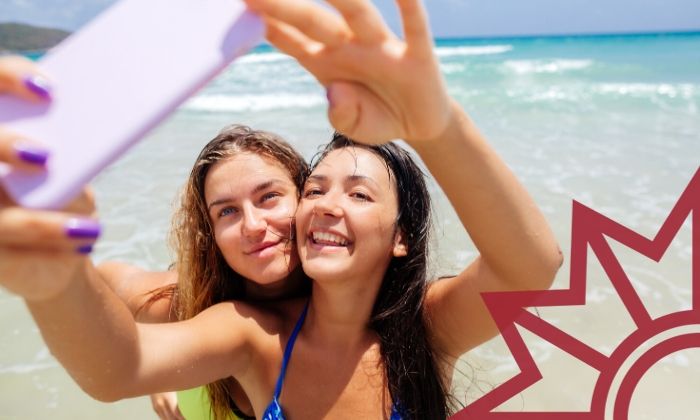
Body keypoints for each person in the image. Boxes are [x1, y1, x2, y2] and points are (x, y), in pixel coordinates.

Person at [0, 0, 563, 418]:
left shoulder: (427, 330)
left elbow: (530, 267)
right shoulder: (255, 336)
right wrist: (57, 275)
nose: (327, 206)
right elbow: (116, 366)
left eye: (360, 194)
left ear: (400, 237)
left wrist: (436, 126)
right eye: (315, 190)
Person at [0, 56, 312, 420]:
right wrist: (61, 279)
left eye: (269, 197)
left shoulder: (362, 299)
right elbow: (107, 292)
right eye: (226, 211)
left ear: (307, 197)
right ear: (211, 235)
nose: (253, 225)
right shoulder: (183, 303)